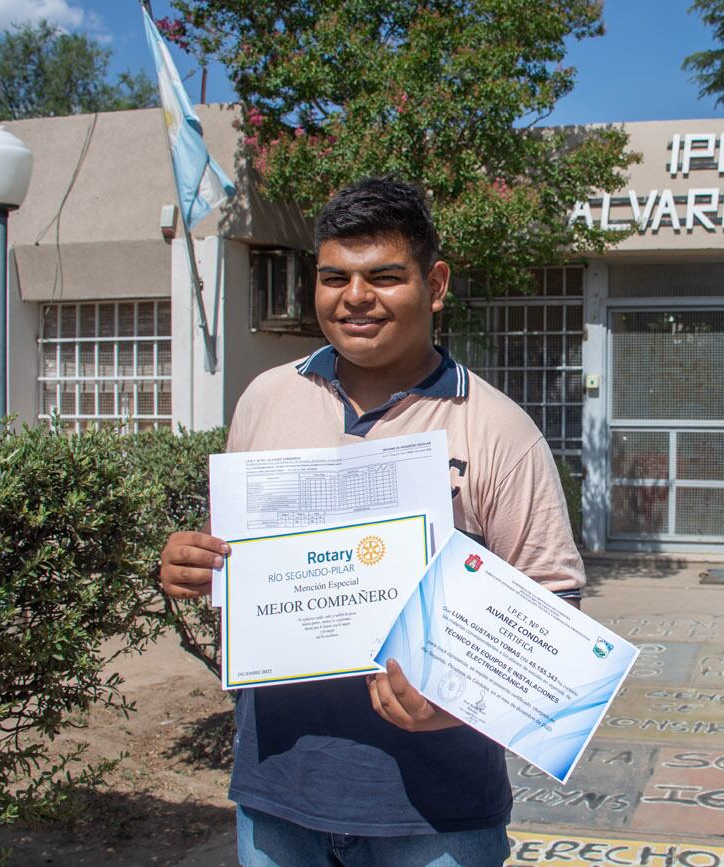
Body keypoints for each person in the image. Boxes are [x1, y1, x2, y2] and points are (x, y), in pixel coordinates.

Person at [158, 177, 585, 866]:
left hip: (437, 816)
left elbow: (555, 608)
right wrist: (189, 562)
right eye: (335, 277)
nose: (355, 296)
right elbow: (234, 569)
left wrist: (463, 697)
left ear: (435, 283)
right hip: (279, 798)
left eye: (384, 276)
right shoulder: (266, 399)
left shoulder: (499, 427)